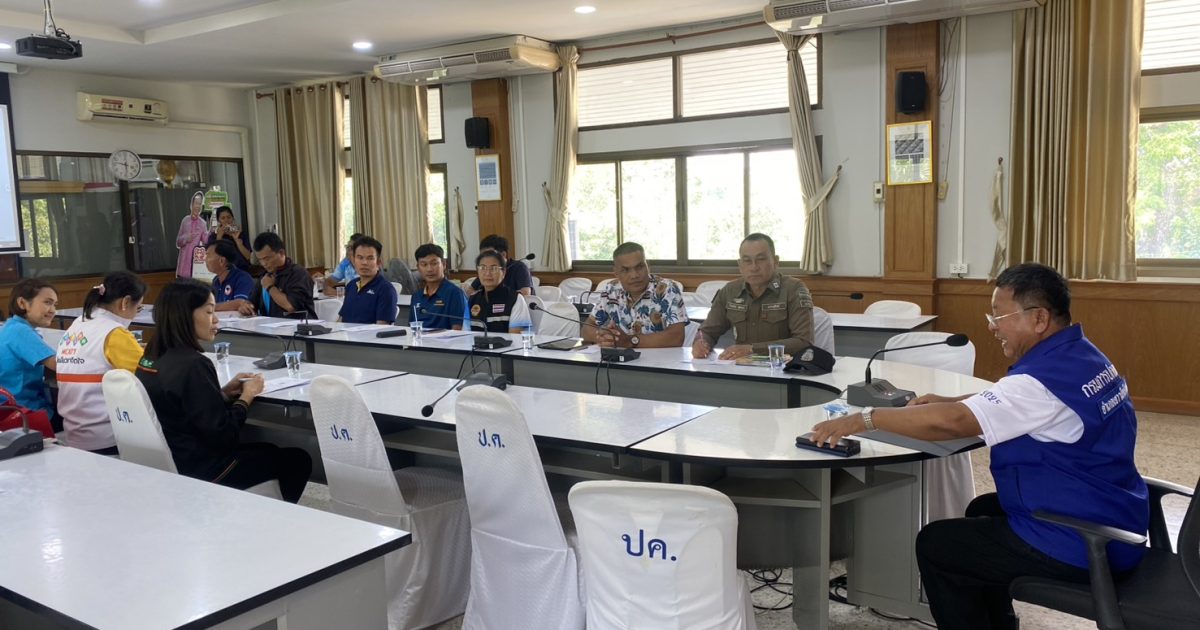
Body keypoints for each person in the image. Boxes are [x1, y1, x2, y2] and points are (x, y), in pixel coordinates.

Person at [808, 262, 1148, 630]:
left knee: (938, 545)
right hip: (1115, 514)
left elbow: (953, 423)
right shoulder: (1082, 356)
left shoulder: (1038, 381)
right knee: (982, 510)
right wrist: (952, 400)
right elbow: (1018, 402)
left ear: (1039, 319)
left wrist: (864, 419)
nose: (992, 326)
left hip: (1085, 542)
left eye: (999, 316)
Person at [137, 279, 313, 503]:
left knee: (268, 449)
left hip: (175, 458)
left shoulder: (150, 357)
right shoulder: (194, 364)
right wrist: (246, 396)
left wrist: (222, 394)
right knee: (297, 459)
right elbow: (224, 436)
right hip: (204, 469)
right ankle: (271, 517)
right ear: (185, 315)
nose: (216, 319)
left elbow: (181, 406)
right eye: (209, 312)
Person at [56, 271, 147, 454]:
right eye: (138, 308)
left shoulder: (78, 324)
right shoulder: (114, 332)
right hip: (108, 436)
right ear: (125, 302)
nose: (135, 314)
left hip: (74, 432)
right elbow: (148, 375)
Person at [693, 233, 814, 360]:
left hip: (782, 367)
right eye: (747, 261)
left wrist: (752, 349)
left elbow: (804, 342)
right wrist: (700, 342)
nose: (754, 267)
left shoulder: (794, 289)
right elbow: (707, 331)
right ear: (740, 265)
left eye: (761, 259)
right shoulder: (730, 291)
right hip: (740, 366)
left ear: (775, 261)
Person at [582, 242, 687, 349]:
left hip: (661, 358)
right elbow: (586, 330)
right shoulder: (611, 289)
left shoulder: (666, 289)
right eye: (625, 270)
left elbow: (677, 337)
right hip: (620, 358)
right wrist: (605, 337)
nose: (634, 275)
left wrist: (629, 341)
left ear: (648, 266)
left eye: (639, 267)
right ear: (616, 273)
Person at [0, 278, 58, 419]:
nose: (53, 311)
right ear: (22, 303)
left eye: (55, 305)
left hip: (9, 409)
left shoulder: (10, 327)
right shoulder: (20, 331)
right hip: (23, 412)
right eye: (47, 302)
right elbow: (59, 364)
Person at [239, 232, 315, 319]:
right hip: (269, 325)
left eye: (267, 258)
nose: (264, 263)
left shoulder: (298, 273)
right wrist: (246, 306)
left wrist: (270, 287)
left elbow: (291, 306)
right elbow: (252, 301)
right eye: (260, 260)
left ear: (281, 253)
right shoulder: (265, 276)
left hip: (298, 324)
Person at [338, 235, 398, 325]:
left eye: (370, 258)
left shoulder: (386, 290)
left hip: (370, 334)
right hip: (345, 334)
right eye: (360, 257)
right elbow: (341, 320)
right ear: (354, 260)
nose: (364, 262)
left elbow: (382, 327)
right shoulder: (351, 285)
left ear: (378, 262)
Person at [468, 250, 532, 333]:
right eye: (483, 268)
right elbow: (465, 334)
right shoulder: (472, 299)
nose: (487, 273)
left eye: (494, 268)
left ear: (504, 272)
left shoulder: (515, 299)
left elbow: (516, 337)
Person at [410, 243, 469, 331]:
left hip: (446, 340)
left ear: (444, 264)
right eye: (424, 264)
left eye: (434, 263)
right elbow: (412, 326)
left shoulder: (455, 293)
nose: (429, 269)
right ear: (418, 268)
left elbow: (457, 330)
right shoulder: (416, 296)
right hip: (419, 339)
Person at [464, 234, 533, 297]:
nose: (485, 258)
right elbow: (470, 290)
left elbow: (525, 293)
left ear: (503, 255)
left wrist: (496, 297)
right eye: (483, 255)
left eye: (490, 255)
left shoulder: (519, 267)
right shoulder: (486, 270)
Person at [207, 239, 254, 312]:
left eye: (208, 255)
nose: (205, 259)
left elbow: (240, 303)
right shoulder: (216, 280)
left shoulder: (243, 278)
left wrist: (210, 307)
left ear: (222, 261)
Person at [205, 206, 253, 271]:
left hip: (243, 270)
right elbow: (212, 257)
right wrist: (219, 237)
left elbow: (248, 257)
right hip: (223, 271)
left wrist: (237, 240)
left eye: (229, 217)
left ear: (233, 218)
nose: (226, 220)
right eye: (223, 218)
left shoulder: (241, 235)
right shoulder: (213, 237)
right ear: (219, 220)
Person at [175, 191, 208, 279]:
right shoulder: (185, 220)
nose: (198, 206)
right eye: (196, 203)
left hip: (195, 270)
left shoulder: (203, 223)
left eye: (200, 204)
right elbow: (178, 242)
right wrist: (186, 238)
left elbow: (206, 242)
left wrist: (212, 231)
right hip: (182, 269)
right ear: (191, 204)